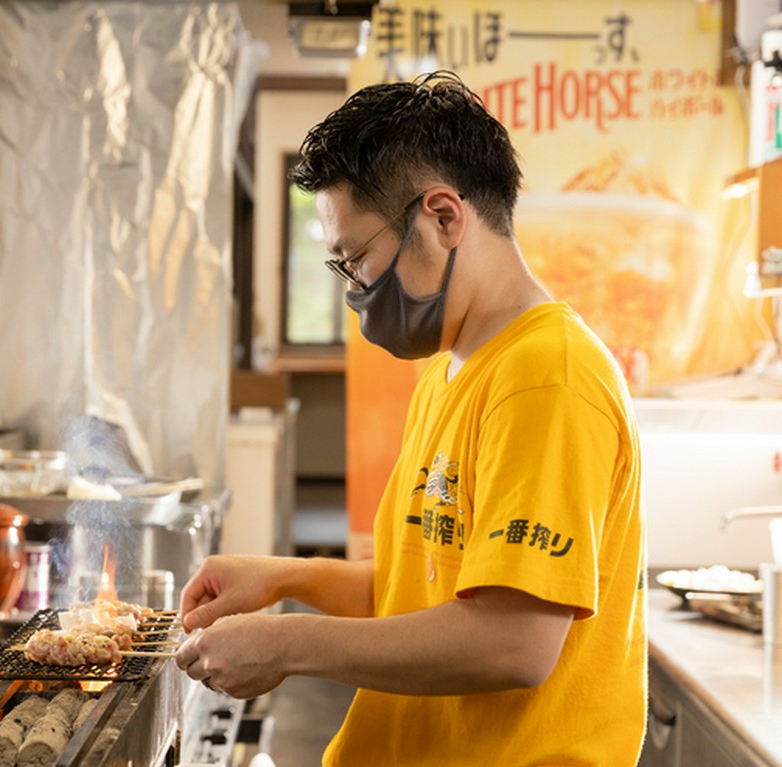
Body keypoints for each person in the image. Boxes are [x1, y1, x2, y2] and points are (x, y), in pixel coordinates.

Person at [175, 70, 647, 766]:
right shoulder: (451, 369)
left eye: (358, 258)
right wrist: (285, 578)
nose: (358, 290)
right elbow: (417, 592)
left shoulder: (548, 375)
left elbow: (513, 642)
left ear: (444, 217)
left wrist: (287, 644)